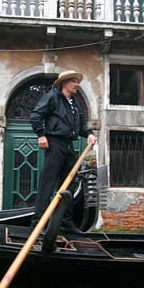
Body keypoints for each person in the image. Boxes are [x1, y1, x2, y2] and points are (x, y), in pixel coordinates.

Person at [29, 70, 98, 234]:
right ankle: (38, 224)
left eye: (77, 81)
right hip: (54, 144)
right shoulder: (53, 97)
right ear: (64, 83)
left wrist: (88, 134)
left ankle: (65, 222)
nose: (76, 84)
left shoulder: (75, 103)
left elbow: (80, 125)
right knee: (48, 184)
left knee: (69, 186)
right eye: (73, 81)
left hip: (69, 146)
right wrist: (41, 135)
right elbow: (36, 115)